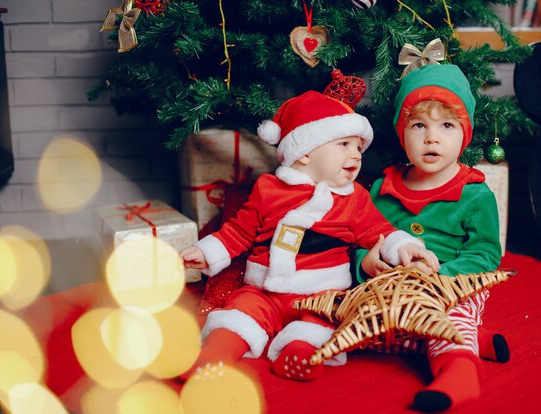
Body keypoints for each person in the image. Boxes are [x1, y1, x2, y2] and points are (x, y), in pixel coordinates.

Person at [180, 90, 440, 382]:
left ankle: (300, 351)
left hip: (322, 295)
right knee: (240, 311)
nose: (356, 154)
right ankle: (214, 354)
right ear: (305, 151)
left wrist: (403, 245)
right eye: (344, 144)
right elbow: (239, 231)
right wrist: (207, 252)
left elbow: (377, 230)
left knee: (325, 321)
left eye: (358, 148)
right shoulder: (269, 188)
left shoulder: (354, 198)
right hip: (265, 290)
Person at [355, 62, 509, 413]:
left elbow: (485, 254)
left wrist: (441, 279)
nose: (432, 137)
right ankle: (472, 340)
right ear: (401, 133)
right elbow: (362, 237)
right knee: (367, 326)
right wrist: (366, 262)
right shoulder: (381, 189)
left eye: (447, 125)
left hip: (454, 285)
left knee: (446, 318)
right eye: (419, 125)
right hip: (393, 288)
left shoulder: (474, 194)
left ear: (464, 133)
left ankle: (460, 371)